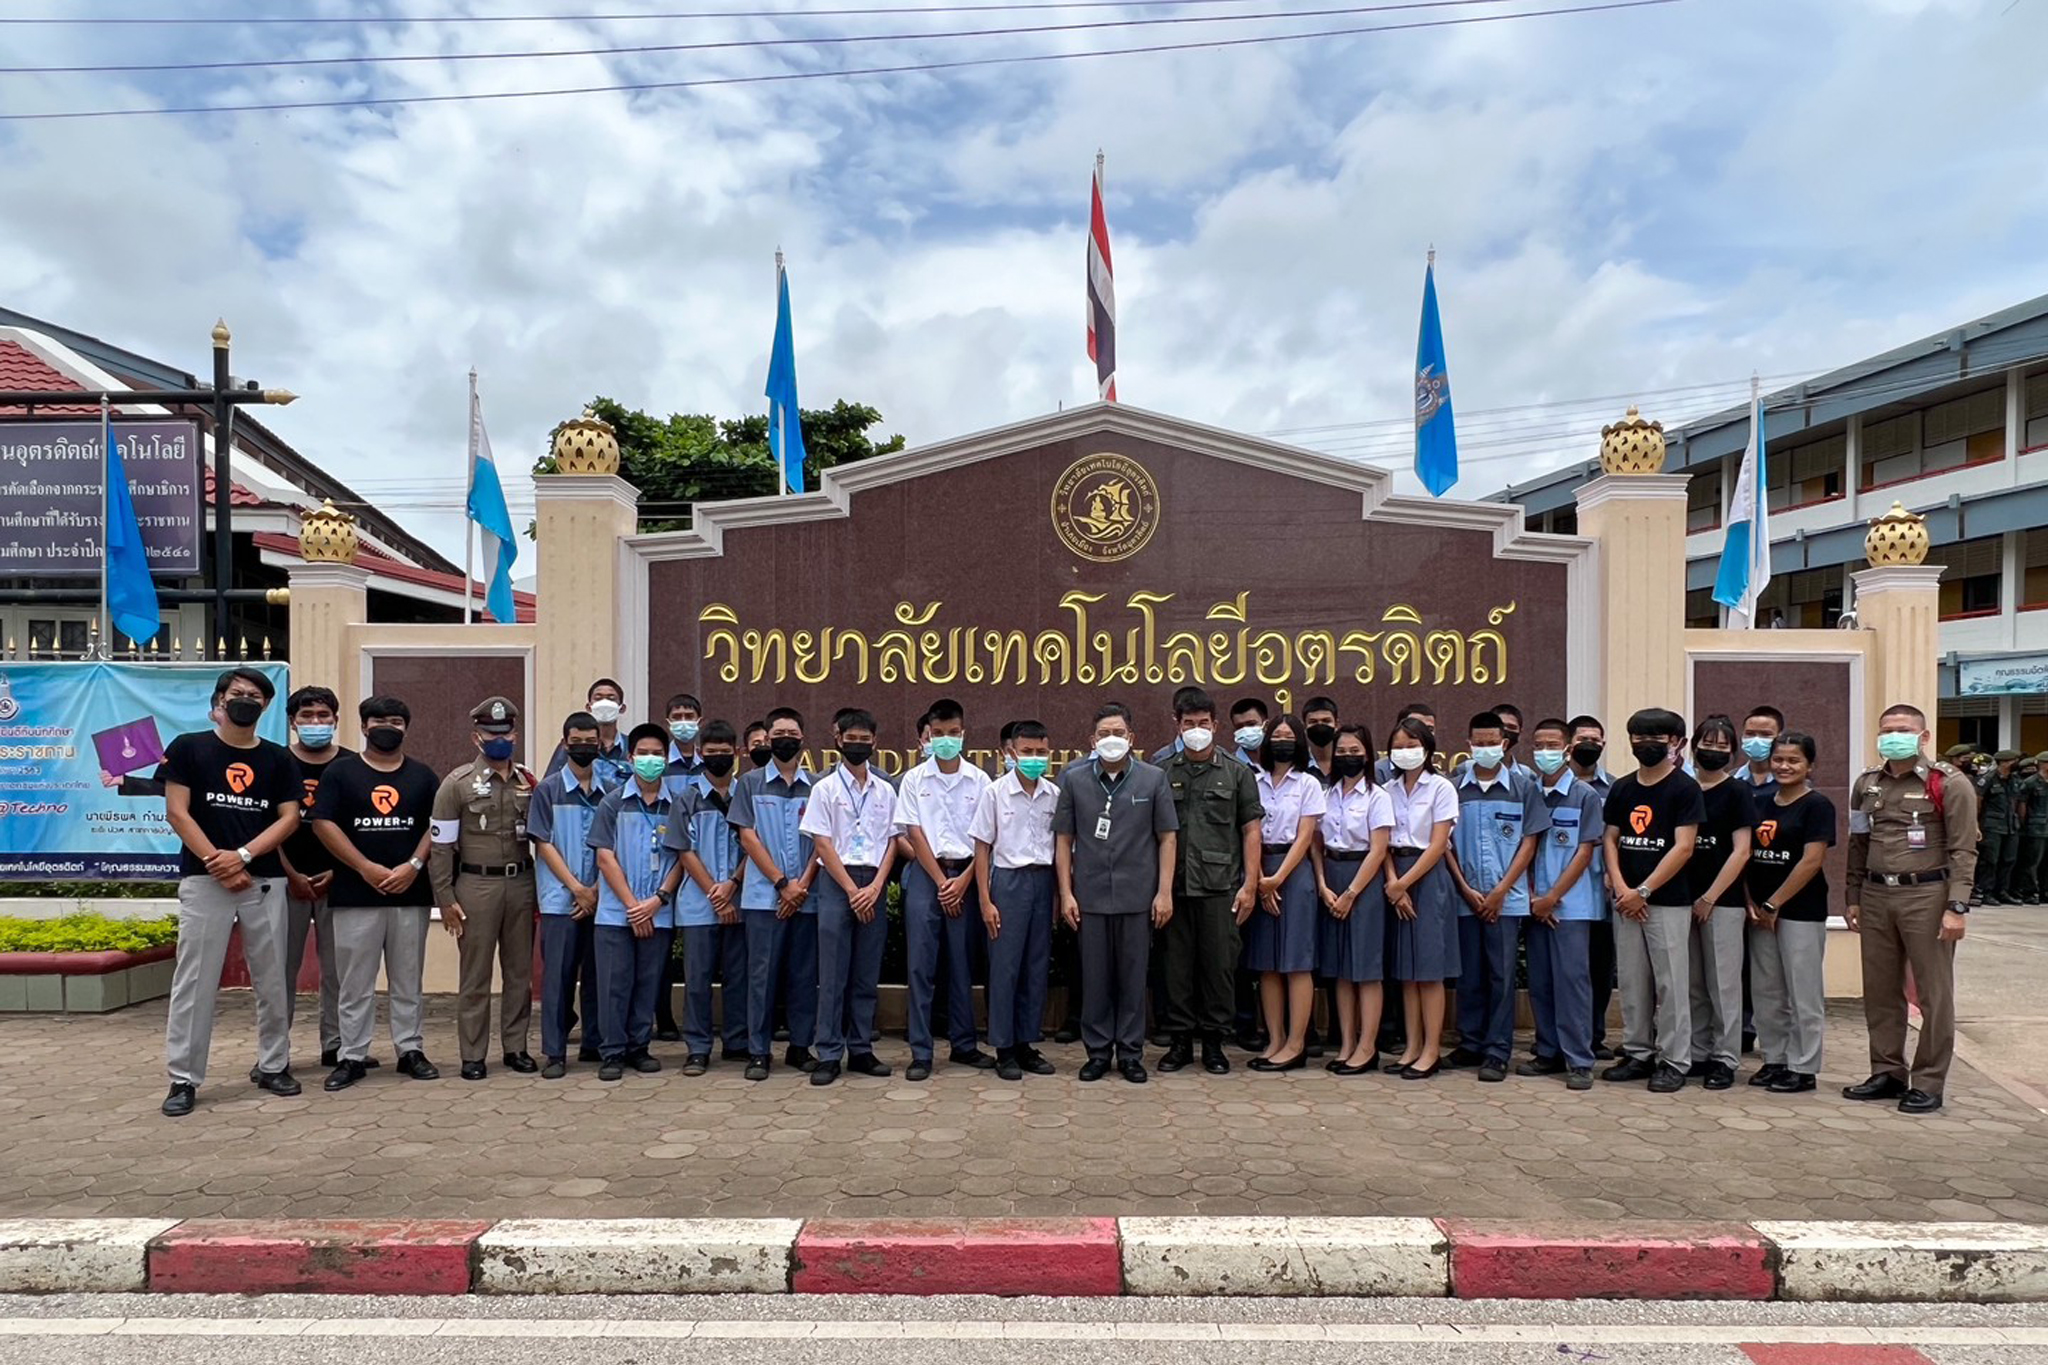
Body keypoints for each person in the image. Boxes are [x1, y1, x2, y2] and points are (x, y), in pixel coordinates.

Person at [158, 667, 305, 1117]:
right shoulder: (189, 748)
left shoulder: (279, 759)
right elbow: (178, 813)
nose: (247, 700)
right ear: (220, 701)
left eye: (257, 695)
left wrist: (241, 856)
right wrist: (217, 863)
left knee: (273, 978)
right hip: (204, 881)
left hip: (262, 881)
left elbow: (289, 818)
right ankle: (183, 1078)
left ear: (266, 706)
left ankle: (273, 1064)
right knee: (195, 980)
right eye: (238, 693)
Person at [1845, 703, 1978, 1115]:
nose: (1893, 735)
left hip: (1928, 896)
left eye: (1903, 729)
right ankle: (1886, 1071)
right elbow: (1858, 843)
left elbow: (1963, 848)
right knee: (1881, 990)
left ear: (1923, 737)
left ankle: (1928, 1081)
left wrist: (1957, 906)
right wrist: (1852, 896)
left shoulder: (1948, 783)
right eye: (1887, 729)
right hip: (1876, 894)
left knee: (1934, 994)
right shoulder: (1867, 784)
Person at [308, 695, 441, 1091]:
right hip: (356, 892)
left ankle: (410, 1050)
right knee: (354, 982)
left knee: (408, 978)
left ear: (406, 727)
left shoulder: (423, 776)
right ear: (364, 726)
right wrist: (364, 867)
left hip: (409, 891)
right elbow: (323, 824)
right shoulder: (340, 773)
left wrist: (413, 865)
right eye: (379, 720)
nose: (388, 727)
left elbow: (436, 826)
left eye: (396, 721)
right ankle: (351, 1055)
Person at [1054, 703, 1179, 1083]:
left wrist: (1164, 893)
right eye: (1104, 734)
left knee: (1131, 978)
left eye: (1118, 733)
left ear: (1132, 738)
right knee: (1095, 979)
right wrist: (1066, 893)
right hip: (1089, 897)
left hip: (1137, 896)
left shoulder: (1152, 779)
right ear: (1093, 740)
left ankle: (1129, 1053)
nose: (1112, 740)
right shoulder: (1074, 779)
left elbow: (1167, 838)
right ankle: (1096, 1053)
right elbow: (1063, 840)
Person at [429, 695, 540, 1081]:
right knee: (475, 975)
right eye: (491, 733)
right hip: (476, 885)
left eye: (506, 732)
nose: (500, 738)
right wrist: (444, 898)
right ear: (476, 736)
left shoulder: (529, 781)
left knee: (519, 973)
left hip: (522, 882)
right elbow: (440, 847)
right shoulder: (456, 784)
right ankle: (473, 1054)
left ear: (515, 733)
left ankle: (516, 1047)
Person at [1156, 690, 1262, 1076]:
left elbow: (1251, 831)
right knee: (1176, 967)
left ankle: (1215, 1043)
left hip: (1220, 888)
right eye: (1189, 725)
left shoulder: (1237, 772)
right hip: (1175, 887)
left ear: (1216, 726)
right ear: (1177, 726)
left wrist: (1250, 884)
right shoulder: (1162, 771)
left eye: (1203, 724)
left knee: (1219, 968)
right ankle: (1181, 1041)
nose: (1196, 731)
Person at [1601, 707, 1704, 1094]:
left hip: (1667, 901)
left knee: (1672, 982)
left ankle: (1674, 1060)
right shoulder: (1623, 787)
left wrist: (1643, 891)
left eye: (1657, 738)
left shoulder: (1684, 788)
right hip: (1626, 900)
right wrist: (1622, 886)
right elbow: (1611, 838)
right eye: (1639, 737)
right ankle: (1638, 1051)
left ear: (1676, 743)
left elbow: (1684, 847)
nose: (1647, 744)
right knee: (1631, 980)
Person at [1445, 711, 1548, 1081]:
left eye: (1492, 742)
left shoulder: (1523, 787)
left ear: (1504, 744)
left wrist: (1501, 890)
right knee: (1469, 974)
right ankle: (1470, 1042)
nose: (1485, 748)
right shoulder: (1454, 786)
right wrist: (1466, 889)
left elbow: (1530, 841)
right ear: (1468, 744)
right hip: (1465, 897)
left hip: (1508, 899)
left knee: (1501, 976)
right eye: (1479, 743)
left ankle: (1497, 1050)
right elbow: (1445, 845)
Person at [896, 697, 996, 1079]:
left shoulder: (981, 781)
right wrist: (941, 882)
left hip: (967, 876)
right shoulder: (914, 780)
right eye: (938, 735)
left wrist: (964, 880)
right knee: (921, 964)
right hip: (928, 876)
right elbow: (913, 832)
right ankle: (921, 1051)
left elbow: (985, 838)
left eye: (952, 734)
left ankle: (964, 1044)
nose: (945, 740)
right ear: (928, 736)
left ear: (963, 733)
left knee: (961, 963)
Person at [802, 709, 899, 1086]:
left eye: (865, 740)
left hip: (873, 882)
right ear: (837, 738)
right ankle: (828, 1051)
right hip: (836, 883)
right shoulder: (824, 789)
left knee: (865, 971)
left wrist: (875, 888)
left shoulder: (885, 789)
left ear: (875, 742)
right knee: (833, 973)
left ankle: (860, 1048)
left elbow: (894, 840)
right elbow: (822, 843)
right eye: (851, 739)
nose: (858, 745)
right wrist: (850, 889)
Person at [586, 723, 683, 1081]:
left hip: (658, 910)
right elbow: (604, 858)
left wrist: (656, 902)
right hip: (616, 913)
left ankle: (639, 1047)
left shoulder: (676, 805)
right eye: (643, 753)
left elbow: (681, 859)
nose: (650, 760)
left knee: (648, 981)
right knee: (614, 982)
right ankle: (612, 1052)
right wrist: (633, 906)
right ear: (630, 758)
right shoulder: (612, 802)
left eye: (657, 754)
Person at [729, 707, 819, 1081]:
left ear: (802, 739)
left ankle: (800, 1046)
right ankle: (758, 1051)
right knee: (761, 976)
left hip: (807, 897)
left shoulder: (815, 786)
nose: (785, 739)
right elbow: (747, 837)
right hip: (764, 898)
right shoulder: (749, 783)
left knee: (803, 974)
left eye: (791, 733)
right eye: (777, 733)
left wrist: (802, 886)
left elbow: (822, 842)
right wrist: (783, 883)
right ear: (766, 740)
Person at [1745, 731, 1835, 1094]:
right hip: (1761, 913)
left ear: (1810, 766)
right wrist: (1754, 901)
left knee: (1803, 992)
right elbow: (1747, 855)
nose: (1785, 766)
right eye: (1779, 759)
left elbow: (1811, 860)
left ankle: (1803, 1066)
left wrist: (1774, 903)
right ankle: (1775, 1059)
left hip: (1799, 910)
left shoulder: (1817, 805)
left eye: (1794, 760)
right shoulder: (1761, 802)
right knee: (1767, 991)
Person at [972, 719, 1061, 1081]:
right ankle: (1004, 1047)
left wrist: (1057, 895)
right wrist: (984, 899)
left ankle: (1027, 1042)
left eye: (1040, 753)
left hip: (1043, 882)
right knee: (1005, 967)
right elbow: (982, 848)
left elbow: (1060, 850)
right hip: (1007, 884)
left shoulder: (1053, 795)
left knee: (1036, 967)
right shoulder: (995, 793)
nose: (1034, 759)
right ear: (1011, 752)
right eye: (1027, 752)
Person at [1519, 717, 1603, 1090]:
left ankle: (1580, 1059)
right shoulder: (1528, 790)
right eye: (1539, 745)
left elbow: (1584, 852)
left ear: (1568, 749)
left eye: (1553, 745)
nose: (1545, 752)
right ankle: (1547, 1051)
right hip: (1535, 903)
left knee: (1572, 982)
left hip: (1571, 905)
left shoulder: (1585, 796)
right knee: (1541, 981)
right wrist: (1537, 897)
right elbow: (1525, 850)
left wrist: (1553, 897)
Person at [1242, 714, 1328, 1072]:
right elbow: (1248, 830)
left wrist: (1276, 879)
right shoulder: (1254, 781)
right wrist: (1259, 877)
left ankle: (1296, 1044)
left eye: (1288, 736)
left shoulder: (1308, 783)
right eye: (1275, 735)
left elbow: (1307, 836)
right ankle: (1274, 1038)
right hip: (1259, 872)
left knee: (1296, 962)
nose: (1281, 741)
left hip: (1294, 875)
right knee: (1267, 966)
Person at [529, 710, 611, 1079]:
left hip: (602, 897)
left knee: (599, 974)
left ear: (600, 744)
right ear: (564, 744)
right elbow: (543, 843)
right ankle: (555, 1051)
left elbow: (614, 844)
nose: (583, 748)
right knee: (558, 977)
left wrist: (594, 889)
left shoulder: (609, 789)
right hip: (560, 900)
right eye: (576, 742)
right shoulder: (547, 790)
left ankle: (595, 1042)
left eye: (590, 743)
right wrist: (577, 889)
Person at [666, 720, 749, 1076]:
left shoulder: (745, 794)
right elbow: (684, 850)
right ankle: (697, 1048)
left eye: (724, 753)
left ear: (737, 754)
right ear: (700, 754)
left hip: (741, 900)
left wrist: (731, 884)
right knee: (697, 980)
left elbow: (755, 845)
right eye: (711, 753)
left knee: (739, 976)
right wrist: (716, 894)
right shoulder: (686, 798)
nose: (718, 758)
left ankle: (737, 1041)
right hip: (699, 904)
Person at [278, 684, 351, 1071]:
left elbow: (357, 828)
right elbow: (263, 823)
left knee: (338, 971)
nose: (316, 723)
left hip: (339, 881)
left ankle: (336, 1046)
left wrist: (339, 868)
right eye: (307, 717)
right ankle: (274, 1053)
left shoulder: (354, 765)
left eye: (323, 716)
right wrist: (291, 874)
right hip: (283, 880)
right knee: (279, 971)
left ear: (336, 721)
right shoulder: (273, 762)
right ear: (292, 722)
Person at [1383, 715, 1459, 1079]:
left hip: (1427, 879)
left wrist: (1404, 884)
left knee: (1428, 971)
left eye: (1412, 746)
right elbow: (1380, 841)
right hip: (1395, 873)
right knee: (1406, 972)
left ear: (1427, 749)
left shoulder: (1441, 788)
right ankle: (1411, 1045)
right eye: (1398, 747)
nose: (1405, 753)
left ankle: (1431, 1050)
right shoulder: (1388, 789)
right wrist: (1393, 882)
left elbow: (1438, 843)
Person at [1314, 724, 1393, 1074]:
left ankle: (1367, 1046)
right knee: (1340, 970)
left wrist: (1351, 893)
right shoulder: (1326, 794)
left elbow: (1378, 851)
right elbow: (1316, 843)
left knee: (1366, 969)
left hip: (1363, 883)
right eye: (1342, 751)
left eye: (1355, 751)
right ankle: (1346, 1043)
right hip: (1331, 876)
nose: (1348, 757)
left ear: (1368, 753)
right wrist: (1322, 884)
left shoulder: (1378, 796)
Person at [1684, 715, 1752, 1091]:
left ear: (1732, 752)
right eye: (1707, 743)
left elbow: (1741, 851)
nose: (1713, 751)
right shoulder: (1683, 788)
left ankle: (1725, 1058)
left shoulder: (1737, 791)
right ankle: (1697, 1051)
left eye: (1722, 746)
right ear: (1693, 746)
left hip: (1721, 902)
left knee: (1723, 984)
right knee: (1692, 982)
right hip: (1681, 900)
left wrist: (1710, 897)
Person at [1567, 715, 1617, 1058]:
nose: (1589, 744)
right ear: (1569, 744)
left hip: (1600, 892)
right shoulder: (1551, 785)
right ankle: (1563, 1037)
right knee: (1567, 970)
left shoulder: (1615, 788)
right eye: (1582, 738)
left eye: (1595, 740)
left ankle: (1593, 1036)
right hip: (1559, 892)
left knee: (1598, 969)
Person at [544, 678, 628, 784]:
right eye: (598, 698)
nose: (605, 702)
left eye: (611, 698)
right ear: (589, 707)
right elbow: (550, 783)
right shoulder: (571, 744)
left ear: (622, 708)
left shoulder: (631, 746)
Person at [1976, 750, 2023, 905]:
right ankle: (1986, 892)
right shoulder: (1988, 779)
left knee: (2009, 859)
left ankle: (2002, 891)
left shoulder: (2014, 779)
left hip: (2010, 825)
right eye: (2013, 760)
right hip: (1992, 826)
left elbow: (2016, 802)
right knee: (1990, 861)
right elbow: (1978, 802)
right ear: (2003, 762)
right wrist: (1976, 824)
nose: (2016, 763)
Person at [1738, 706, 1785, 811]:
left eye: (1765, 734)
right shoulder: (1732, 779)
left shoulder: (1789, 780)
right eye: (1750, 734)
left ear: (1779, 736)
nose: (1756, 740)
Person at [2018, 754, 2048, 906]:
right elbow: (2022, 804)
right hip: (2035, 827)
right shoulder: (2031, 782)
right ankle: (2029, 892)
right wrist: (2023, 824)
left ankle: (2045, 891)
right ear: (2041, 764)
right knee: (2032, 862)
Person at [1302, 696, 1341, 779]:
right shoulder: (1298, 766)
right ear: (1304, 727)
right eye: (1313, 722)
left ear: (1336, 724)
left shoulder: (1347, 764)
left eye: (1326, 721)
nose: (1320, 725)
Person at [1228, 698, 1270, 768]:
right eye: (1239, 727)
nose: (1245, 730)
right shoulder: (1228, 766)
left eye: (1251, 724)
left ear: (1266, 725)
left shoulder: (1281, 762)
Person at [1490, 702, 1527, 775]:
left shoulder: (1527, 775)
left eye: (1511, 727)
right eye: (1500, 726)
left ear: (1520, 733)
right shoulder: (1465, 770)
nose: (1505, 731)